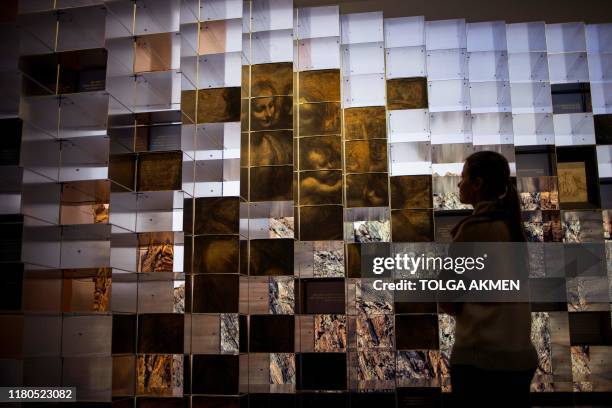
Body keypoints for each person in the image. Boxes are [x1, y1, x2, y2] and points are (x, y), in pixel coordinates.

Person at [442, 150, 538, 407]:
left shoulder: (473, 231)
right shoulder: (513, 228)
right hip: (519, 359)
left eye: (463, 177)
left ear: (478, 184)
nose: (459, 183)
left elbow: (447, 299)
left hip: (481, 361)